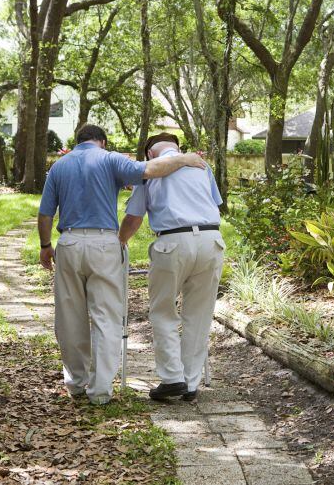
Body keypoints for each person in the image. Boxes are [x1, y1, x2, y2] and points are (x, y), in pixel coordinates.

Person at [38, 125, 206, 405]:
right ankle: (101, 391)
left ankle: (76, 382)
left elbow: (45, 213)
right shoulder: (109, 158)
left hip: (67, 243)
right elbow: (149, 170)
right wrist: (184, 158)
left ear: (77, 141)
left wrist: (45, 246)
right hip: (104, 243)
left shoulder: (59, 166)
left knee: (69, 316)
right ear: (101, 141)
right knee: (106, 317)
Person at [118, 132, 224, 401]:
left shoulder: (150, 171)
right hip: (212, 240)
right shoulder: (201, 166)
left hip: (173, 242)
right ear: (177, 147)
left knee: (163, 311)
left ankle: (172, 378)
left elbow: (134, 218)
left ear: (150, 154)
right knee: (199, 315)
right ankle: (190, 383)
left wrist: (119, 242)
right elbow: (216, 204)